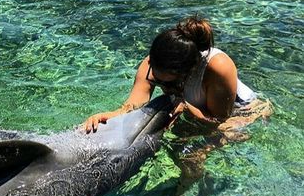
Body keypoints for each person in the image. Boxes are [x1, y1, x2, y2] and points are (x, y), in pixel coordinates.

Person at [84, 16, 261, 135]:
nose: (164, 88)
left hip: (242, 114)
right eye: (156, 79)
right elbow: (133, 105)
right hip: (197, 108)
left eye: (166, 83)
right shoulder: (152, 63)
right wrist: (110, 116)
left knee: (192, 156)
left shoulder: (218, 67)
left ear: (188, 73)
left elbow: (218, 121)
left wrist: (186, 108)